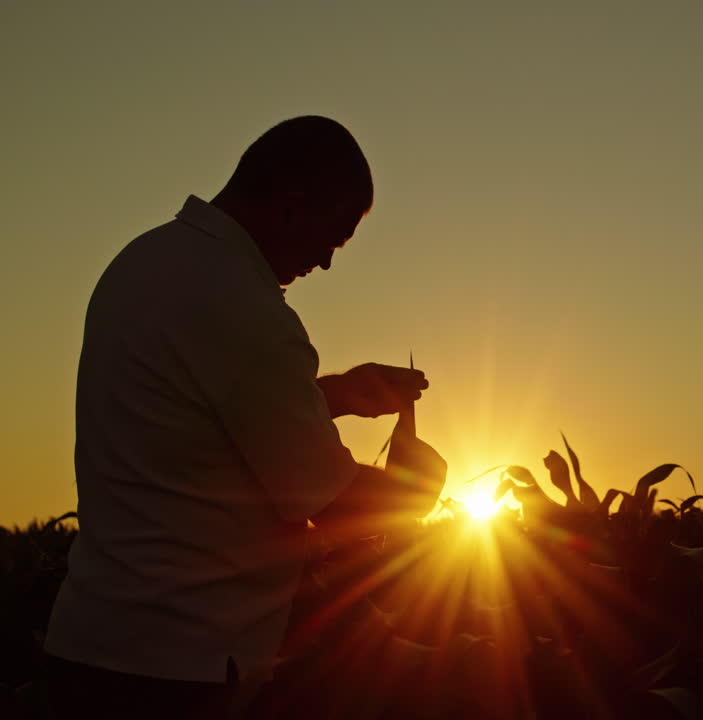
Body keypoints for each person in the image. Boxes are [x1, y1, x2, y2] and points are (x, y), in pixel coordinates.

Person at [42, 116, 446, 719]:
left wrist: (335, 393)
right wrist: (422, 486)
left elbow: (194, 415)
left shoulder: (142, 262)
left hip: (88, 648)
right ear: (291, 205)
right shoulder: (250, 310)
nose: (327, 264)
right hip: (175, 675)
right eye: (332, 239)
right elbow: (331, 501)